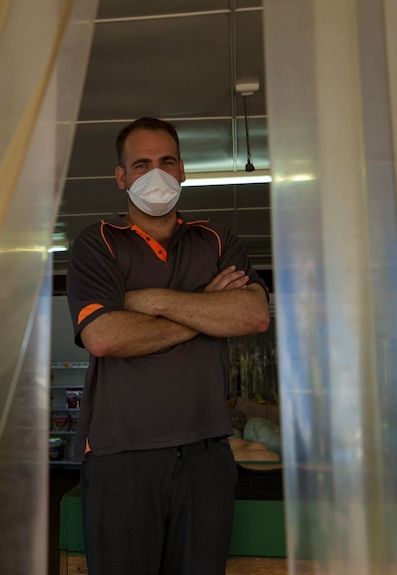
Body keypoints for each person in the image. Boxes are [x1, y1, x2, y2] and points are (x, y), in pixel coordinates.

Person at [66, 117, 270, 575]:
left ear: (182, 171)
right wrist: (207, 311)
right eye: (141, 164)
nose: (155, 174)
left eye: (166, 161)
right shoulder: (97, 243)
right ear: (121, 177)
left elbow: (253, 315)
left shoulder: (216, 240)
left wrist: (154, 302)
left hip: (206, 454)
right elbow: (104, 336)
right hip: (122, 457)